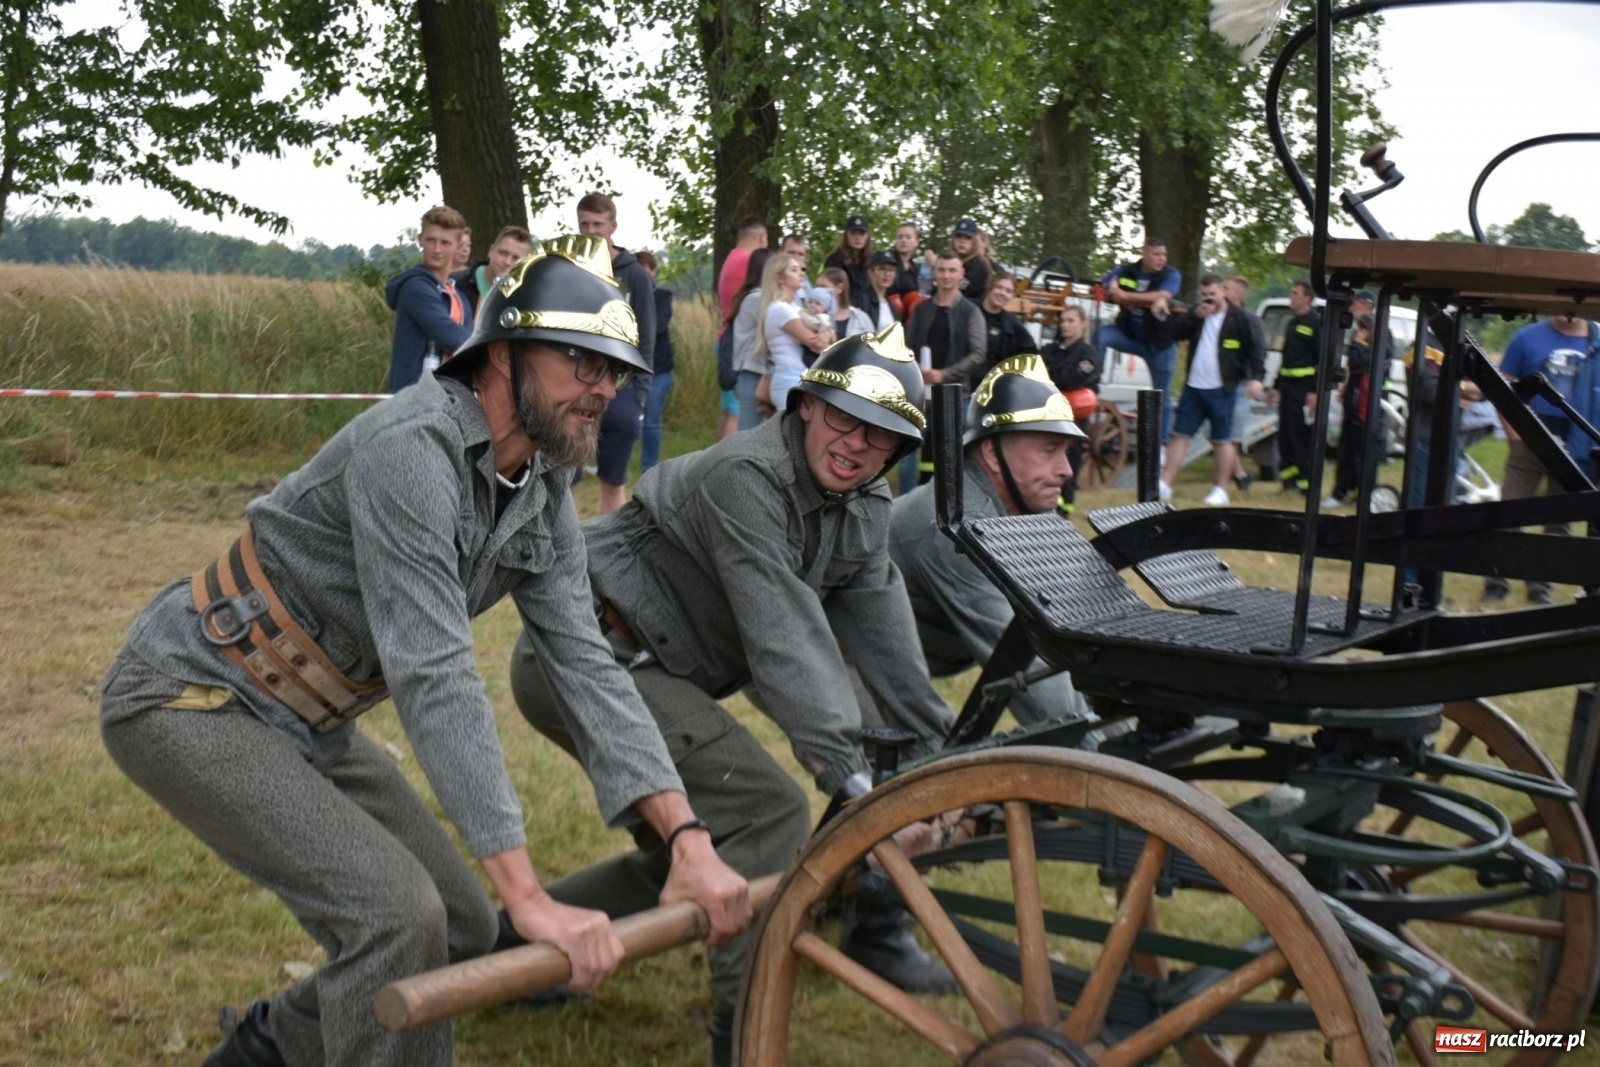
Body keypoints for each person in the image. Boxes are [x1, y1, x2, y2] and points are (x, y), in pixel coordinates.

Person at [99, 236, 749, 1067]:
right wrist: (529, 894)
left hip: (312, 716)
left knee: (462, 922)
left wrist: (689, 840)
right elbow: (434, 672)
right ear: (503, 354)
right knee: (399, 919)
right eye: (580, 361)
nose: (603, 389)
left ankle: (270, 1049)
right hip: (193, 695)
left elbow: (587, 665)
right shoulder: (410, 449)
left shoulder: (544, 485)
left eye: (616, 370)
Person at [506, 325, 957, 1066]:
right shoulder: (746, 476)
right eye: (844, 418)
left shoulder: (863, 504)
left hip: (655, 665)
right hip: (585, 654)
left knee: (699, 847)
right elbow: (782, 637)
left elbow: (887, 636)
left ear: (897, 454)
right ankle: (742, 1034)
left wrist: (938, 758)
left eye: (880, 438)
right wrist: (854, 779)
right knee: (765, 811)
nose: (856, 445)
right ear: (806, 406)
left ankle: (519, 937)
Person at [891, 356, 1090, 725]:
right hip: (832, 655)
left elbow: (1083, 623)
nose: (1066, 470)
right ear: (991, 456)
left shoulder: (1027, 508)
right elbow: (1029, 678)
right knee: (928, 766)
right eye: (1049, 450)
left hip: (900, 660)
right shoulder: (956, 529)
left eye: (1065, 451)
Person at [1482, 313, 1598, 604]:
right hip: (1531, 436)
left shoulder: (1596, 342)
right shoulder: (1526, 338)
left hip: (1576, 443)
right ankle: (1497, 582)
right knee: (1509, 512)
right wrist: (1516, 438)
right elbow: (1503, 388)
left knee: (1559, 522)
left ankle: (1540, 587)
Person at [576, 193, 656, 514]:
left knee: (613, 480)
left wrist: (640, 393)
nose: (592, 230)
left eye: (598, 224)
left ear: (613, 226)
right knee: (567, 475)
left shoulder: (634, 274)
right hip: (575, 379)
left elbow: (646, 335)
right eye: (585, 224)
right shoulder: (570, 267)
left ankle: (610, 554)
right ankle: (569, 549)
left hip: (621, 386)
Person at [1158, 273, 1265, 506]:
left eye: (1213, 294)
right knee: (1180, 434)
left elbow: (1256, 350)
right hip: (1194, 386)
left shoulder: (1240, 319)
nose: (1208, 300)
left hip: (1223, 387)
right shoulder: (1197, 314)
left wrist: (1257, 378)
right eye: (1204, 295)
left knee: (1222, 439)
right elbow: (1174, 334)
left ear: (1224, 291)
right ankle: (1165, 484)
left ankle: (1220, 489)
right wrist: (1194, 317)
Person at [1098, 238, 1182, 442]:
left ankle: (1161, 444)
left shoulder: (1171, 275)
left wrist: (1125, 297)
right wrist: (1111, 287)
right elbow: (1106, 281)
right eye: (1156, 254)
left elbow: (1162, 295)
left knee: (1161, 397)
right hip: (1129, 336)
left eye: (1164, 255)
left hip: (1158, 345)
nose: (1161, 259)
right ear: (1144, 254)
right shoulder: (1127, 270)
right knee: (1099, 335)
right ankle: (1092, 380)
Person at [384, 205, 473, 392]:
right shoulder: (415, 287)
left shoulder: (460, 298)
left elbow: (469, 346)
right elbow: (451, 337)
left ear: (458, 247)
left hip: (449, 397)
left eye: (445, 243)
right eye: (431, 240)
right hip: (414, 399)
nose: (437, 249)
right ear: (420, 240)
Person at [1041, 305, 1103, 513]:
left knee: (1067, 464)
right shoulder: (1050, 349)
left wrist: (1053, 372)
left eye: (1071, 321)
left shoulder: (1088, 354)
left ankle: (1064, 509)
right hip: (1046, 415)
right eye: (1063, 321)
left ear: (1083, 324)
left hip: (1073, 420)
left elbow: (1070, 378)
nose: (1065, 325)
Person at [756, 252, 832, 413]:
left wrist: (826, 334)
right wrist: (825, 335)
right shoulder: (780, 309)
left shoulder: (795, 309)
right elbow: (814, 342)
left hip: (799, 378)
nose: (801, 273)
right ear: (780, 278)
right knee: (792, 434)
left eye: (801, 270)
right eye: (794, 270)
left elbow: (829, 333)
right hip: (789, 380)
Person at [716, 217, 769, 440]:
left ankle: (714, 460)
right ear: (761, 238)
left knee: (728, 409)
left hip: (727, 340)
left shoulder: (732, 257)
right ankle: (727, 465)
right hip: (739, 347)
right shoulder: (748, 261)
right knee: (737, 414)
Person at [1269, 279, 1320, 495]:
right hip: (1288, 388)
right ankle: (1288, 481)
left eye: (1295, 293)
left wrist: (1315, 391)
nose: (1291, 296)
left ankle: (1305, 485)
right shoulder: (1291, 323)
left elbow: (1321, 361)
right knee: (1286, 436)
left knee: (1301, 436)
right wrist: (1275, 386)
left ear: (1307, 298)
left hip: (1304, 389)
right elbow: (1286, 358)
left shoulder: (1316, 323)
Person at [907, 250, 987, 388]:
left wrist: (944, 375)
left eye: (952, 270)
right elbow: (907, 345)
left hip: (957, 393)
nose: (946, 275)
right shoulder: (921, 309)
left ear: (961, 274)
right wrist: (916, 367)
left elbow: (978, 354)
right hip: (921, 389)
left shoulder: (971, 311)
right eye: (941, 270)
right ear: (934, 272)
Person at [1325, 312, 1377, 508]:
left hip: (1361, 409)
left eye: (1361, 329)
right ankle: (1344, 491)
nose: (1358, 333)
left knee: (1355, 454)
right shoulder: (1366, 350)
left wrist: (1356, 343)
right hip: (1353, 407)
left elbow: (1356, 363)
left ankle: (1353, 493)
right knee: (1346, 452)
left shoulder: (1368, 350)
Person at [636, 250, 675, 473]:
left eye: (646, 270)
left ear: (652, 271)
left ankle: (648, 467)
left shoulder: (663, 296)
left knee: (651, 420)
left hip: (658, 368)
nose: (642, 275)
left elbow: (658, 327)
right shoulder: (625, 296)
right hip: (631, 367)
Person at [729, 248, 773, 431]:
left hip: (752, 373)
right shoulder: (757, 298)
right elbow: (772, 331)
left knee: (754, 430)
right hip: (751, 373)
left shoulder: (752, 296)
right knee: (748, 434)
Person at [452, 224, 534, 321]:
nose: (507, 262)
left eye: (515, 258)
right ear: (491, 251)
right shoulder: (455, 283)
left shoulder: (526, 296)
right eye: (503, 253)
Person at [974, 271, 1039, 380]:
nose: (1002, 293)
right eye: (999, 287)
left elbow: (1030, 354)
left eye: (1008, 291)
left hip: (991, 386)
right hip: (961, 381)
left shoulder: (1012, 324)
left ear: (1012, 296)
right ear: (990, 287)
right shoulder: (968, 309)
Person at [824, 214, 876, 320]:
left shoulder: (872, 261)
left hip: (867, 315)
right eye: (853, 233)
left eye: (862, 233)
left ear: (867, 236)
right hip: (842, 314)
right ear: (847, 235)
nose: (858, 237)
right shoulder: (835, 260)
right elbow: (829, 291)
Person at [888, 222, 931, 319]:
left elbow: (925, 294)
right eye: (900, 237)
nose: (903, 240)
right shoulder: (886, 263)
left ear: (916, 241)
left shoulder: (919, 269)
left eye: (908, 237)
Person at [820, 266, 875, 339]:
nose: (819, 291)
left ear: (839, 288)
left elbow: (872, 346)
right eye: (817, 287)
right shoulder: (814, 315)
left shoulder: (860, 318)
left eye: (823, 287)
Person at [949, 217, 991, 302]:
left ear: (975, 241)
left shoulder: (978, 264)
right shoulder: (954, 261)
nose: (962, 241)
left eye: (968, 238)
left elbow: (958, 290)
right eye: (958, 236)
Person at [866, 251, 900, 330]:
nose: (887, 274)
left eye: (891, 270)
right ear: (871, 272)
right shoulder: (861, 300)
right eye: (882, 269)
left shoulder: (892, 306)